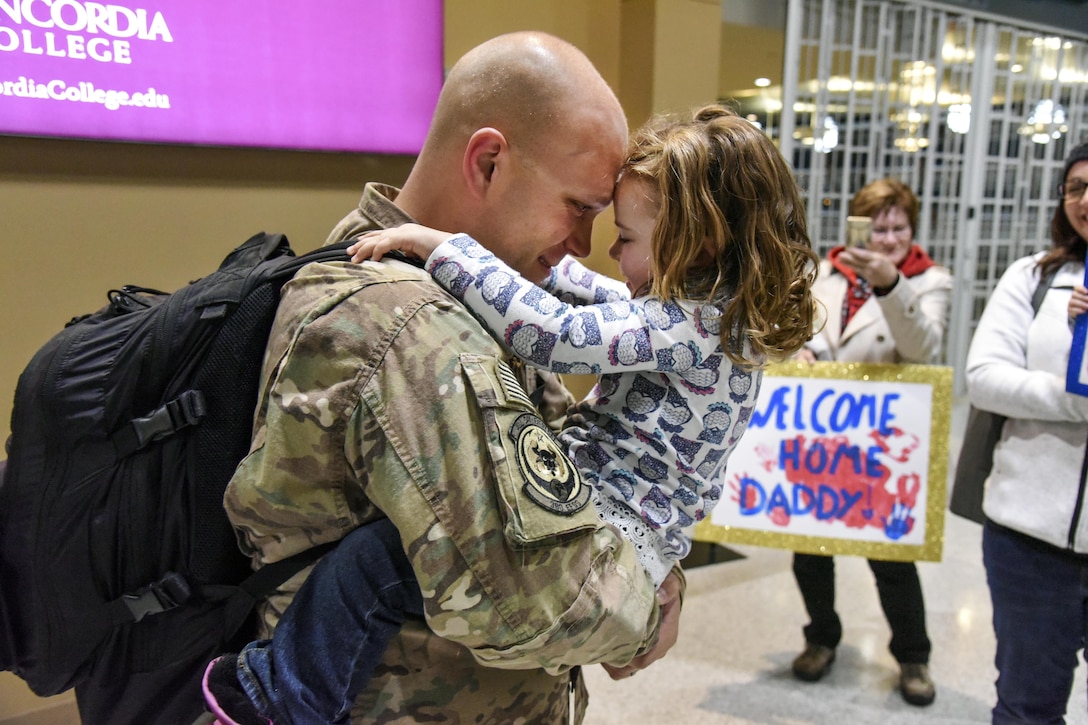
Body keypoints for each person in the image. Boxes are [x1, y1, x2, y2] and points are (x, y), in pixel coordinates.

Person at [206, 103, 820, 725]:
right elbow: (583, 294)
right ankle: (283, 700)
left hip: (611, 533)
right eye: (579, 208)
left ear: (699, 244)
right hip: (603, 556)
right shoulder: (717, 320)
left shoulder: (684, 323)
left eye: (625, 237)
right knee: (376, 562)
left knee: (375, 563)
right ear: (489, 163)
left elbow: (552, 330)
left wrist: (443, 248)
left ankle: (277, 696)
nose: (597, 245)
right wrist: (642, 611)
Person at [791, 178, 952, 706]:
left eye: (897, 228)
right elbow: (804, 326)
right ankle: (822, 637)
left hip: (883, 444)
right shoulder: (828, 275)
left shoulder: (930, 282)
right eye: (876, 227)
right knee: (810, 550)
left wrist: (890, 285)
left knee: (890, 560)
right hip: (824, 436)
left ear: (913, 230)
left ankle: (912, 656)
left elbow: (923, 348)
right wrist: (805, 350)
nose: (886, 239)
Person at [967, 140, 1088, 723]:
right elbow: (986, 379)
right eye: (1076, 187)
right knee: (1027, 705)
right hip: (1029, 539)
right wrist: (1073, 401)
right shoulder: (1036, 278)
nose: (1085, 199)